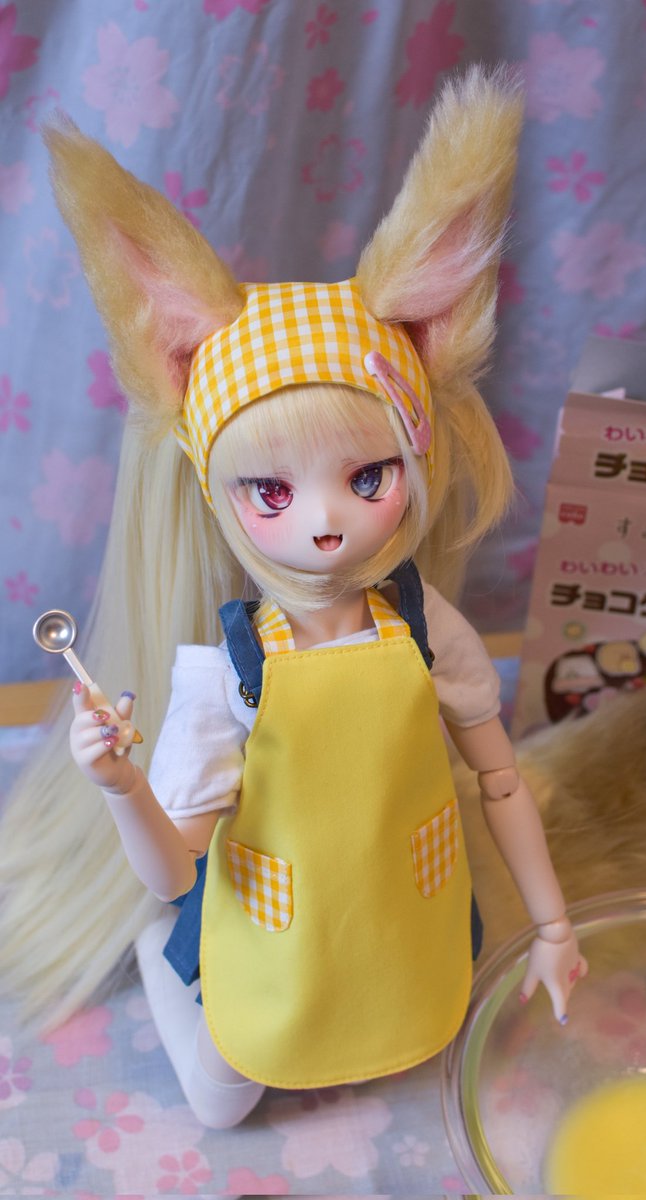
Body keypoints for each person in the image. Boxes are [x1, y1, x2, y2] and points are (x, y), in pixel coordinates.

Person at [0, 68, 585, 1129]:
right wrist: (120, 784)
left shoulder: (427, 628)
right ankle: (168, 967)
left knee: (427, 1027)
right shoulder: (226, 673)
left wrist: (551, 925)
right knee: (223, 1098)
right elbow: (175, 869)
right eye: (270, 491)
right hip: (275, 931)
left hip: (404, 914)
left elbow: (498, 782)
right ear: (216, 491)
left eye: (367, 477)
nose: (324, 521)